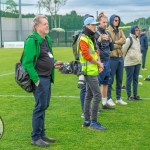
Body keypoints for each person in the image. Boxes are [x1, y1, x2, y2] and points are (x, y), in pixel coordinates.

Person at [22, 15, 63, 147]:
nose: (47, 26)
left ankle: (42, 134)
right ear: (36, 26)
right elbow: (27, 63)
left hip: (47, 77)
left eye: (47, 23)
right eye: (44, 24)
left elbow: (48, 56)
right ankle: (35, 137)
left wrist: (55, 63)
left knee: (44, 106)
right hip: (40, 79)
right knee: (40, 107)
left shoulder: (46, 39)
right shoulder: (32, 40)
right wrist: (36, 79)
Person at [79, 15, 106, 130]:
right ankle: (93, 122)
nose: (95, 26)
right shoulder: (83, 38)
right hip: (89, 71)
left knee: (89, 95)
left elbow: (96, 52)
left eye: (95, 24)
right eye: (93, 25)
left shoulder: (90, 37)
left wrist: (99, 64)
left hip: (93, 70)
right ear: (87, 25)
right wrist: (98, 64)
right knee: (97, 95)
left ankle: (86, 121)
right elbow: (86, 55)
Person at [95, 12, 114, 109]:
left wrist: (110, 40)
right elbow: (93, 48)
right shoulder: (96, 33)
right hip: (100, 62)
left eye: (106, 22)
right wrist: (98, 41)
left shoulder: (107, 33)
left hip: (108, 60)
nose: (105, 24)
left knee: (106, 82)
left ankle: (104, 103)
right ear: (99, 22)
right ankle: (96, 105)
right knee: (98, 83)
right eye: (103, 22)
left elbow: (112, 48)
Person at [107, 14, 127, 105]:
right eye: (115, 20)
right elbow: (109, 45)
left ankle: (118, 98)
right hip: (112, 58)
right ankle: (109, 98)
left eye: (118, 20)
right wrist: (118, 44)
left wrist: (114, 42)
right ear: (111, 21)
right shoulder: (107, 31)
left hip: (120, 58)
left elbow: (124, 40)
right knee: (110, 80)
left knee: (119, 80)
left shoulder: (120, 30)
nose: (117, 22)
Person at [122, 26, 142, 100]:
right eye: (136, 30)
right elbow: (123, 50)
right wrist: (124, 60)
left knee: (136, 79)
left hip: (137, 62)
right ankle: (129, 95)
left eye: (138, 30)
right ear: (133, 31)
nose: (138, 31)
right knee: (129, 79)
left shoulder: (137, 39)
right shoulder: (128, 40)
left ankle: (135, 95)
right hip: (129, 63)